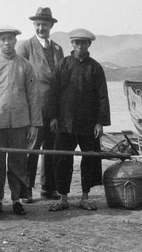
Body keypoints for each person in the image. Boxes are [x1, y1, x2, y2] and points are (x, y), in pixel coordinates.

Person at [0, 25, 42, 216]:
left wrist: (34, 124)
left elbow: (33, 96)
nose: (7, 42)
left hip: (20, 123)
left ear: (15, 41)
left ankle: (16, 200)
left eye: (10, 39)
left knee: (18, 162)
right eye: (3, 39)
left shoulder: (25, 65)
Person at [47, 28, 111, 212]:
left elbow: (102, 97)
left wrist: (100, 122)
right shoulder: (62, 65)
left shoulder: (95, 68)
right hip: (64, 122)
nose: (80, 46)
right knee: (62, 159)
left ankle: (85, 197)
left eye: (83, 43)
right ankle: (63, 198)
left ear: (89, 45)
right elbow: (53, 93)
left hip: (88, 123)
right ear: (72, 44)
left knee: (89, 159)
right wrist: (52, 117)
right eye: (76, 43)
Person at [17, 7, 64, 203]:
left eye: (45, 24)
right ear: (33, 25)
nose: (41, 27)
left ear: (51, 25)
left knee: (51, 148)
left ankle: (48, 188)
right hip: (33, 107)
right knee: (32, 149)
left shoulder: (58, 49)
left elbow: (61, 79)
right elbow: (19, 80)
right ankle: (26, 190)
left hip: (53, 108)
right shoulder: (26, 47)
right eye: (37, 24)